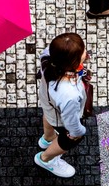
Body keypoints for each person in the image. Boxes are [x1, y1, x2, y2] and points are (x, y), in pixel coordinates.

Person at [35, 33, 89, 179]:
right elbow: (71, 124)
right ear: (72, 62)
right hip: (60, 115)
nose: (86, 52)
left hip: (49, 103)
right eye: (82, 51)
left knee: (49, 117)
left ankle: (48, 138)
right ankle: (46, 159)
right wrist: (79, 132)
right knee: (69, 140)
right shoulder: (69, 95)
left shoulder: (47, 58)